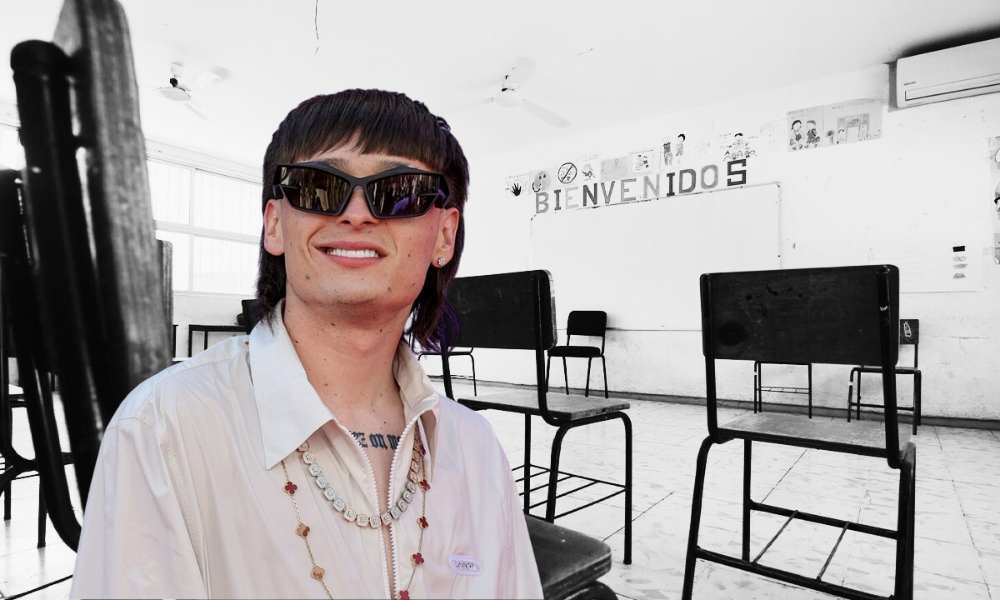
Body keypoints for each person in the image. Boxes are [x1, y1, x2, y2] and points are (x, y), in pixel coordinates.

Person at [70, 89, 543, 599]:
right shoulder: (165, 430)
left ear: (445, 236)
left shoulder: (477, 452)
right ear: (275, 224)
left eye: (400, 191)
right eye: (319, 186)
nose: (357, 213)